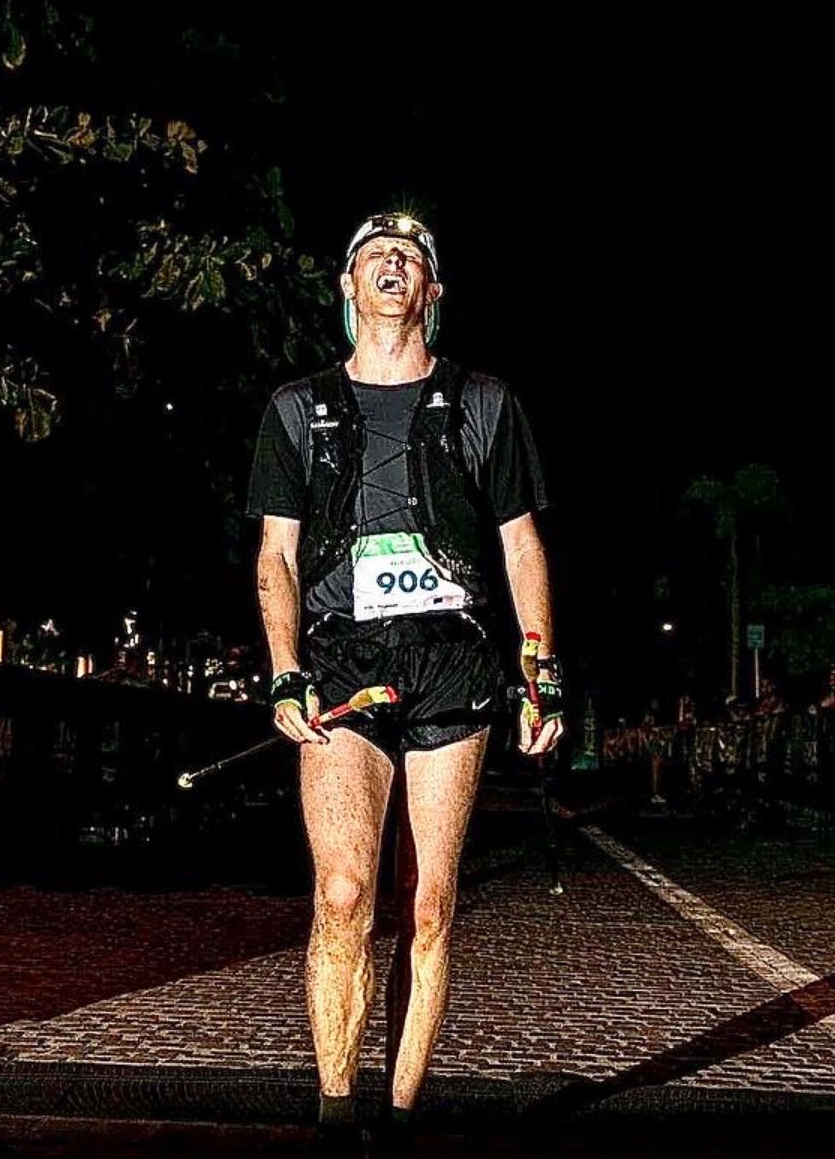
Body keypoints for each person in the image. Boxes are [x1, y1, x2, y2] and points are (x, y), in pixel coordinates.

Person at [246, 214, 558, 1141]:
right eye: (374, 255)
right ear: (347, 287)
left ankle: (403, 1117)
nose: (393, 263)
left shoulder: (485, 403)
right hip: (343, 662)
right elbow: (276, 555)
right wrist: (285, 671)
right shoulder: (296, 409)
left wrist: (539, 671)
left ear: (433, 293)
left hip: (452, 663)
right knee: (342, 892)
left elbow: (520, 544)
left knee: (428, 903)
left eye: (412, 258)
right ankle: (336, 1116)